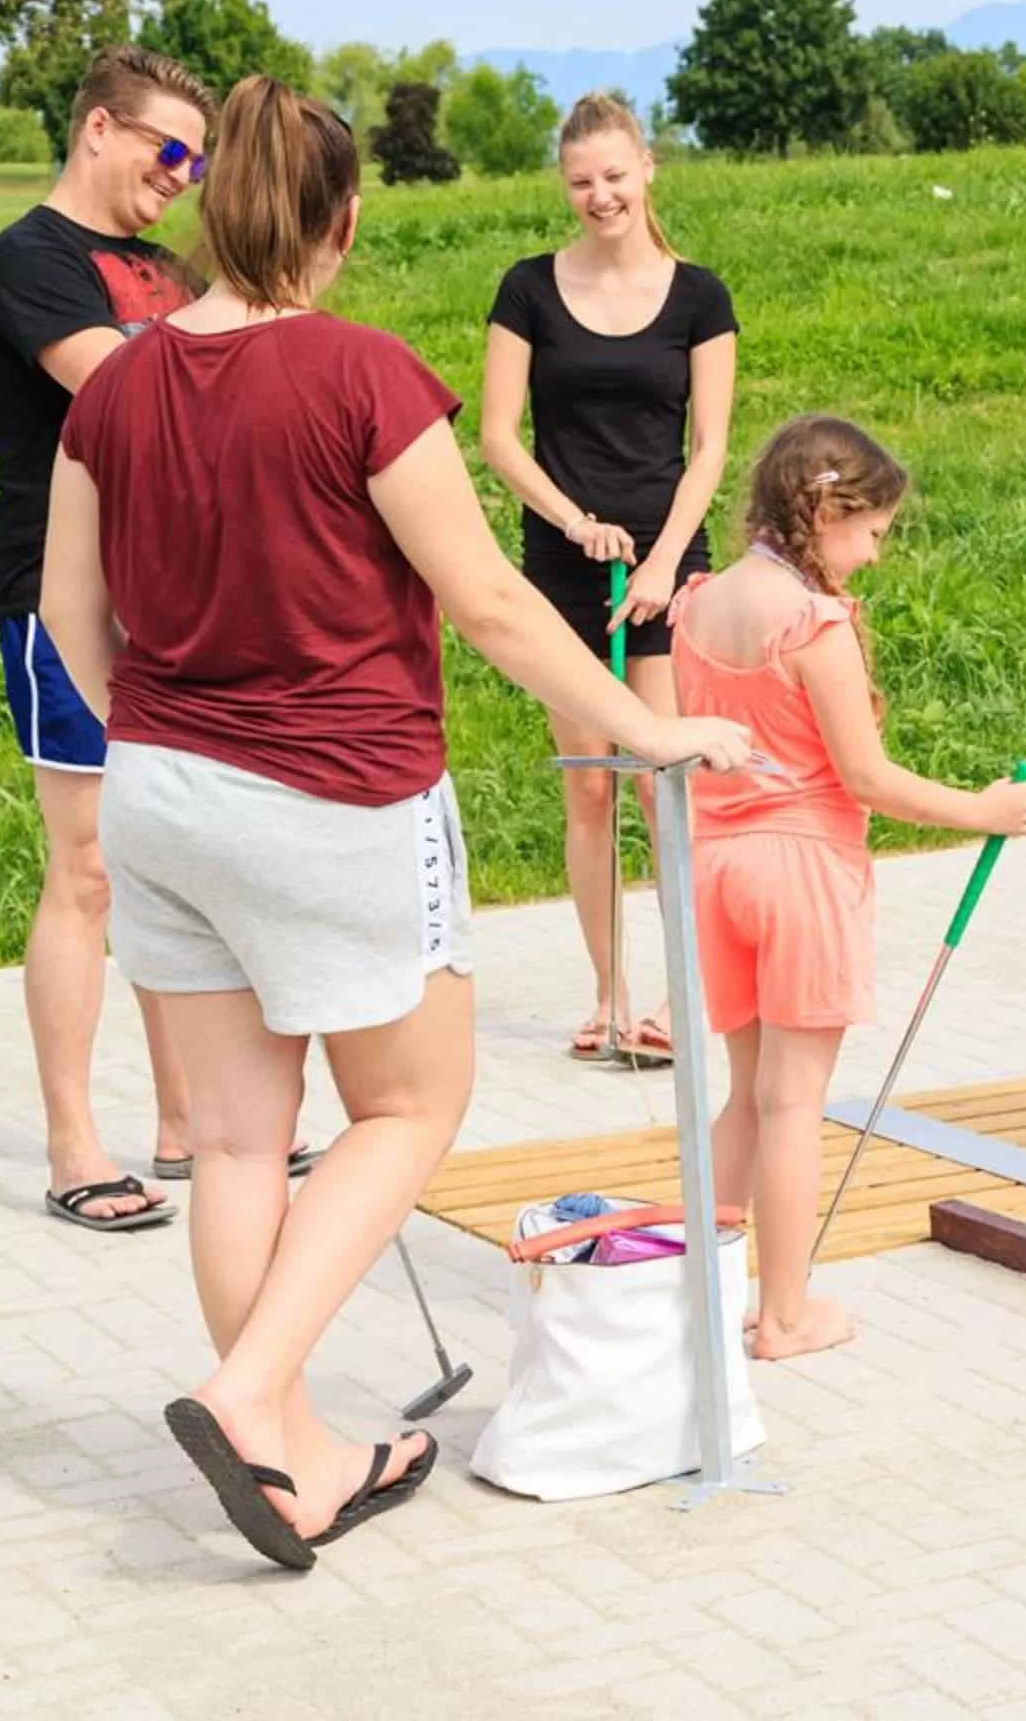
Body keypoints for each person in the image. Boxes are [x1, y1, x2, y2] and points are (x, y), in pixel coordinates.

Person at [40, 77, 750, 1570]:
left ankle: (298, 1455)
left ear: (217, 207)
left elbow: (65, 609)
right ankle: (249, 1401)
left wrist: (161, 737)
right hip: (339, 797)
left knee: (240, 1146)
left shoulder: (115, 387)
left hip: (162, 790)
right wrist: (646, 726)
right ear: (344, 222)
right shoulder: (362, 374)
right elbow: (488, 599)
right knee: (410, 1109)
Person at [676, 415, 1026, 1360]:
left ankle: (709, 1299)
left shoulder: (699, 604)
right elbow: (868, 779)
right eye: (872, 531)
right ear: (826, 510)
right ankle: (786, 1315)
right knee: (795, 1103)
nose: (873, 556)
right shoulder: (813, 623)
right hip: (801, 867)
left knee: (745, 1096)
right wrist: (985, 809)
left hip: (715, 867)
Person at [0, 44, 241, 1231]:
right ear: (96, 129)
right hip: (64, 599)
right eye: (165, 148)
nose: (181, 174)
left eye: (197, 158)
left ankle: (190, 1125)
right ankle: (74, 1142)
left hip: (182, 595)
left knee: (176, 861)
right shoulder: (26, 260)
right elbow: (129, 391)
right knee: (87, 870)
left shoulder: (168, 267)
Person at [478, 93, 738, 1063]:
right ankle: (608, 997)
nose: (601, 195)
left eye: (616, 175)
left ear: (647, 169)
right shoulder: (528, 288)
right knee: (590, 784)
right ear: (565, 184)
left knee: (661, 780)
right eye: (582, 180)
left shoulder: (700, 296)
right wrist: (573, 523)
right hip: (564, 561)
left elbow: (709, 444)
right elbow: (499, 437)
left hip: (668, 565)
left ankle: (684, 997)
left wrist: (666, 560)